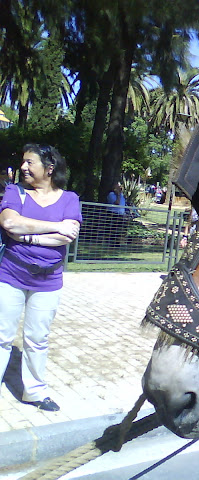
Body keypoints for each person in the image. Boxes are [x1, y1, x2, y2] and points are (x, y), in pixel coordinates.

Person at [0, 144, 81, 411]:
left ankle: (34, 392)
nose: (23, 167)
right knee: (2, 336)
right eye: (23, 162)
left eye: (29, 162)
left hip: (48, 281)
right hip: (10, 274)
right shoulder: (15, 192)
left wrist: (27, 235)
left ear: (49, 168)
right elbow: (10, 223)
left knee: (37, 339)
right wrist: (55, 226)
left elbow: (68, 235)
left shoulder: (69, 199)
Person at [106, 182, 128, 246]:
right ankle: (111, 244)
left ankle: (117, 243)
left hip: (121, 215)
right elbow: (117, 203)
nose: (119, 187)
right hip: (113, 214)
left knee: (119, 230)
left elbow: (123, 204)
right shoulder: (111, 194)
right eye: (118, 186)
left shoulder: (121, 195)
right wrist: (118, 195)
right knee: (113, 230)